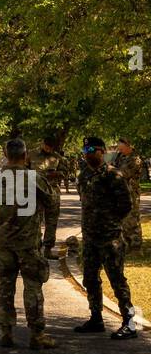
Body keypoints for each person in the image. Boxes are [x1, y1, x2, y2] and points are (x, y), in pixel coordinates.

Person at [0, 137, 56, 350]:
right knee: (32, 286)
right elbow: (52, 206)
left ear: (5, 155)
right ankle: (37, 334)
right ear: (25, 156)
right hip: (29, 243)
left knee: (5, 286)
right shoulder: (36, 179)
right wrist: (49, 236)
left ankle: (6, 331)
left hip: (3, 243)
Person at [75, 137, 139, 339]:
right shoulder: (84, 174)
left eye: (92, 149)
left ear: (102, 151)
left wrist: (110, 222)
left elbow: (126, 205)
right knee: (90, 279)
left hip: (110, 238)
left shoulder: (113, 175)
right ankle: (96, 318)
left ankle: (129, 323)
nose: (87, 152)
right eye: (85, 149)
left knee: (117, 280)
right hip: (90, 238)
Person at [28, 136, 63, 258]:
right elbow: (23, 171)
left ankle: (48, 249)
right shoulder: (31, 154)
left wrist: (57, 174)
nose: (48, 149)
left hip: (52, 192)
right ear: (42, 143)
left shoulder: (57, 157)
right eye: (46, 146)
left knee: (52, 221)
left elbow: (64, 172)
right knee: (35, 221)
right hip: (35, 192)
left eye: (50, 147)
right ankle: (35, 249)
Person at [111, 137, 144, 251]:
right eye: (119, 148)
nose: (119, 150)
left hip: (131, 193)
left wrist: (110, 169)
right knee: (124, 220)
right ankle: (126, 244)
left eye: (121, 147)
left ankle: (135, 245)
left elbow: (123, 173)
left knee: (132, 219)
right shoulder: (121, 157)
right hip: (121, 192)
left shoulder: (135, 159)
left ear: (128, 146)